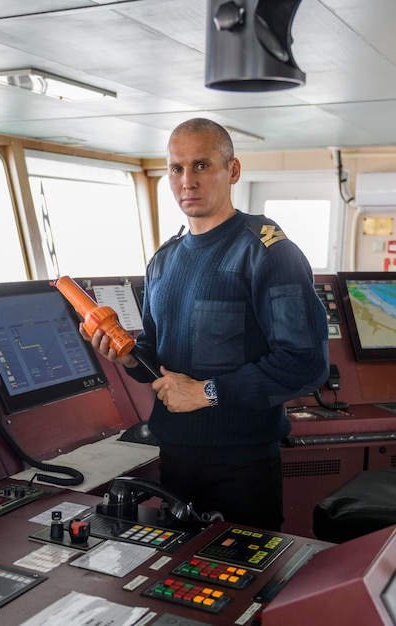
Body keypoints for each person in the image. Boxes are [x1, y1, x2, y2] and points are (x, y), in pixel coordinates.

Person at [82, 118, 329, 531]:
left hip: (242, 469)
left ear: (232, 171)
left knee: (244, 589)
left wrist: (207, 393)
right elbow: (157, 359)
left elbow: (304, 363)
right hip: (175, 462)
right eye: (176, 169)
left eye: (201, 165)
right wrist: (126, 357)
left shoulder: (268, 253)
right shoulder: (164, 260)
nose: (187, 181)